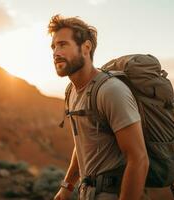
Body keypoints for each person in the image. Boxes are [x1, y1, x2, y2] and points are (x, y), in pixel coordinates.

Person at [48, 14, 149, 200]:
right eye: (53, 47)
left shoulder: (110, 91)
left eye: (63, 44)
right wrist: (67, 186)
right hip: (87, 193)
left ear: (86, 47)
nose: (55, 52)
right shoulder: (72, 91)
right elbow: (84, 144)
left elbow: (139, 158)